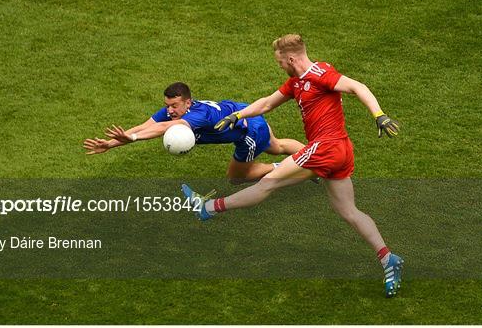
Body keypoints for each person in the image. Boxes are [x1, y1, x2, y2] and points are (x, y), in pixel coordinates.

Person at [181, 34, 404, 298]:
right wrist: (237, 115)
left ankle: (207, 208)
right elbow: (266, 103)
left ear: (291, 58)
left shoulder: (321, 74)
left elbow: (358, 87)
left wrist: (378, 115)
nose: (280, 67)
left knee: (268, 182)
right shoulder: (296, 82)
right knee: (348, 211)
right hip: (340, 150)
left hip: (326, 147)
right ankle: (388, 258)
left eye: (280, 63)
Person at [83, 82, 305, 183]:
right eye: (167, 106)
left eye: (175, 106)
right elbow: (145, 126)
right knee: (277, 146)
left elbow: (161, 129)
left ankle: (290, 167)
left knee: (236, 177)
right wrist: (110, 144)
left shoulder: (198, 116)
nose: (170, 111)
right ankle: (313, 156)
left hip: (249, 130)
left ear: (188, 103)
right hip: (246, 113)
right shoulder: (173, 112)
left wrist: (131, 138)